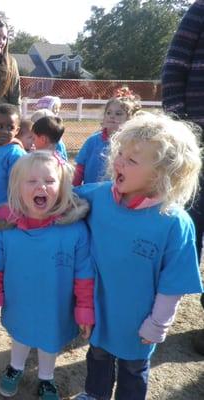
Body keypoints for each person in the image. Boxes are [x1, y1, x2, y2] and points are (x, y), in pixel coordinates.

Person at [74, 112, 203, 400]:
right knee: (97, 356)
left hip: (140, 320)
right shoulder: (99, 196)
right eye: (120, 152)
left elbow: (173, 284)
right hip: (100, 308)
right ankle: (95, 394)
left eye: (131, 160)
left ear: (161, 174)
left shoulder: (173, 222)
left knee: (133, 369)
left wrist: (158, 324)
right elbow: (66, 200)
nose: (118, 161)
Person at [0, 151, 94, 400]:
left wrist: (85, 308)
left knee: (49, 341)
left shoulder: (75, 230)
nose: (40, 186)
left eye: (49, 181)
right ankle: (16, 367)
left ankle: (46, 378)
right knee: (20, 334)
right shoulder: (6, 229)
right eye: (31, 181)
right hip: (20, 300)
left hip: (56, 304)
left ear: (63, 186)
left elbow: (84, 273)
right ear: (17, 187)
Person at [161, 0, 204, 355]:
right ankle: (161, 308)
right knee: (189, 229)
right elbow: (174, 67)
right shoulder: (200, 10)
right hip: (198, 145)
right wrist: (184, 132)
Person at [73, 89, 141, 186]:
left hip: (117, 195)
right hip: (90, 194)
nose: (112, 116)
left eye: (118, 114)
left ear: (129, 119)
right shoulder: (92, 141)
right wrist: (73, 189)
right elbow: (79, 168)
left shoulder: (130, 145)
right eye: (109, 113)